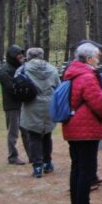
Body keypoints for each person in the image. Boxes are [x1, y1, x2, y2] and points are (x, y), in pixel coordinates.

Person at [62, 42, 102, 204]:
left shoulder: (72, 73)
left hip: (73, 126)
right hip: (85, 128)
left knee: (77, 166)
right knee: (86, 168)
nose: (98, 60)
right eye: (97, 56)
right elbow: (97, 102)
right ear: (89, 58)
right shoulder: (86, 76)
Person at [18, 48, 60, 178]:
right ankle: (47, 163)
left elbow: (17, 85)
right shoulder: (52, 69)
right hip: (49, 103)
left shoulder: (23, 69)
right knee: (47, 135)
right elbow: (58, 86)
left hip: (31, 104)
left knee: (34, 136)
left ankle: (37, 166)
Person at [0, 45, 27, 165]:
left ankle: (33, 155)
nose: (21, 56)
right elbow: (11, 89)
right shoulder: (5, 71)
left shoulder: (21, 67)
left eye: (21, 53)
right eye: (18, 54)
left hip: (23, 104)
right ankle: (12, 156)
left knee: (26, 131)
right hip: (12, 105)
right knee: (13, 132)